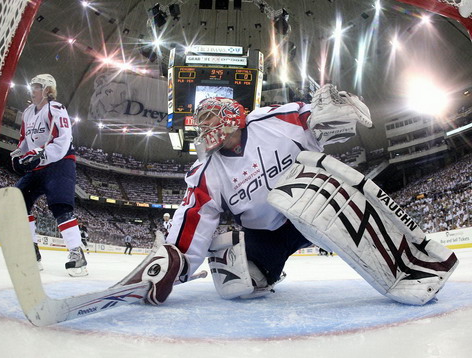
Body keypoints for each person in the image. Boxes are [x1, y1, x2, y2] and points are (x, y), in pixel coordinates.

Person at [121, 85, 457, 306]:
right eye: (203, 124)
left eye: (212, 120)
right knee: (237, 285)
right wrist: (173, 262)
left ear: (234, 117)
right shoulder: (206, 172)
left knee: (317, 200)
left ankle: (410, 268)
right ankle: (269, 269)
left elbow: (315, 118)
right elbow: (193, 221)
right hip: (266, 234)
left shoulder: (275, 119)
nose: (205, 130)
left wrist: (330, 114)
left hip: (318, 205)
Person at [11, 73, 88, 277]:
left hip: (59, 163)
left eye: (36, 87)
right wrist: (18, 156)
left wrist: (41, 155)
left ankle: (76, 253)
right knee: (18, 200)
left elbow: (63, 140)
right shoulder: (28, 112)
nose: (32, 90)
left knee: (60, 206)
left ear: (47, 90)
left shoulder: (56, 108)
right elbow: (24, 142)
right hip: (39, 165)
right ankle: (31, 253)